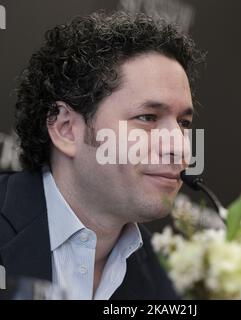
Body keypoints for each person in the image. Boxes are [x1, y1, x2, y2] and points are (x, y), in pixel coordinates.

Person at [0, 11, 204, 299]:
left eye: (184, 123)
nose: (180, 146)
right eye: (147, 117)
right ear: (66, 129)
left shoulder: (171, 283)